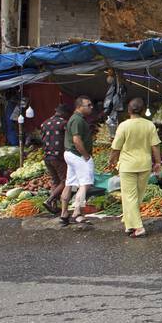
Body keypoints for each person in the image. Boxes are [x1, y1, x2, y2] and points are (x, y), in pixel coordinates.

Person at [108, 97, 162, 238]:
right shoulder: (149, 125)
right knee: (137, 196)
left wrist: (111, 161)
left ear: (128, 110)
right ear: (143, 110)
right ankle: (129, 224)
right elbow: (155, 146)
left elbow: (116, 147)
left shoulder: (124, 126)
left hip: (127, 166)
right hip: (144, 165)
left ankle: (138, 227)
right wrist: (158, 162)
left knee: (130, 197)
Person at [59, 95, 96, 228]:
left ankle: (64, 215)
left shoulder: (76, 119)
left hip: (71, 155)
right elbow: (76, 140)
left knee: (70, 183)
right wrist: (85, 155)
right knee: (85, 184)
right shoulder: (77, 120)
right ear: (79, 107)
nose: (91, 107)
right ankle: (76, 213)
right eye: (89, 105)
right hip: (77, 155)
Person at [38, 102, 72, 215]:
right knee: (66, 180)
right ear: (64, 113)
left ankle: (53, 206)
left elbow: (41, 139)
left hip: (47, 156)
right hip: (58, 157)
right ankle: (49, 200)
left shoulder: (44, 123)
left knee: (55, 180)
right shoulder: (64, 124)